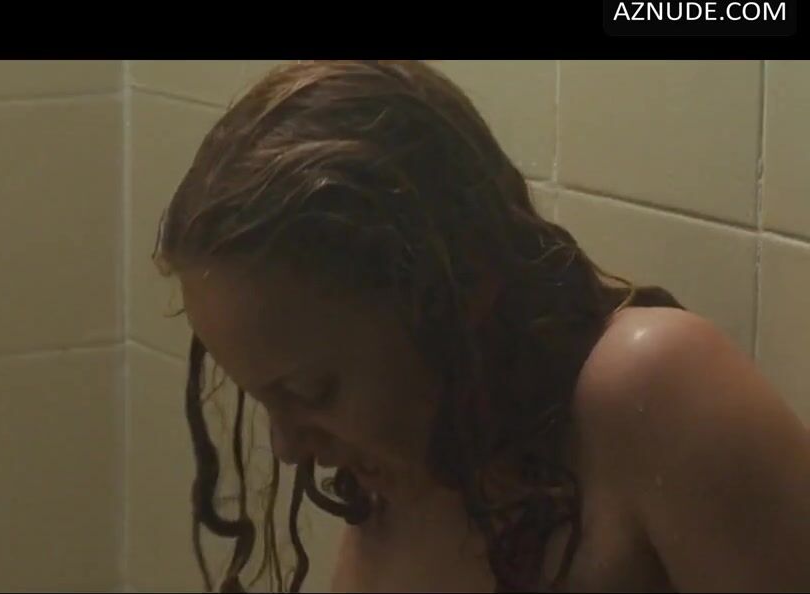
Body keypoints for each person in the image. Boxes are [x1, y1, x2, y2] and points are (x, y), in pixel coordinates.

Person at [152, 60, 810, 593]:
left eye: (312, 391)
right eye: (262, 399)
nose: (289, 447)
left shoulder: (651, 388)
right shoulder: (409, 480)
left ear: (460, 287)